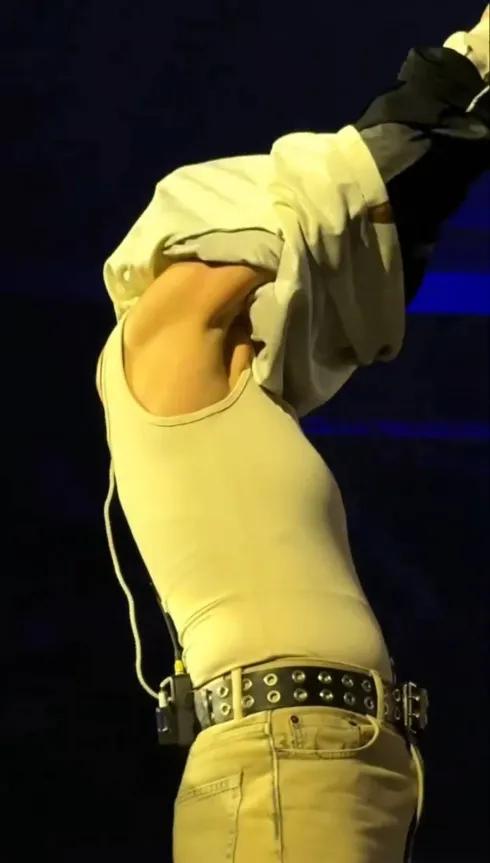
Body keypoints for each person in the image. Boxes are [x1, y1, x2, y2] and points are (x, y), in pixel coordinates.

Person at [95, 8, 489, 862]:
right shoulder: (156, 349)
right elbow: (313, 207)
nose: (280, 298)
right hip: (287, 758)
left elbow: (349, 237)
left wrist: (466, 85)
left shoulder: (254, 407)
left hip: (327, 758)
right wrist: (448, 85)